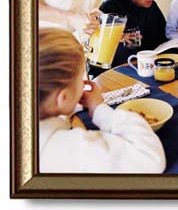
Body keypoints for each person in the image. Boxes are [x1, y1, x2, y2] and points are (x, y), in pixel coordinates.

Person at [39, 27, 166, 173]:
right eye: (80, 79)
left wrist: (72, 105)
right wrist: (99, 109)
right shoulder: (68, 150)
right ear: (63, 98)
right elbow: (151, 159)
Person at [99, 0, 167, 67]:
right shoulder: (109, 9)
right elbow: (98, 59)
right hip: (119, 74)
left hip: (152, 68)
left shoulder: (152, 6)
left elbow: (164, 40)